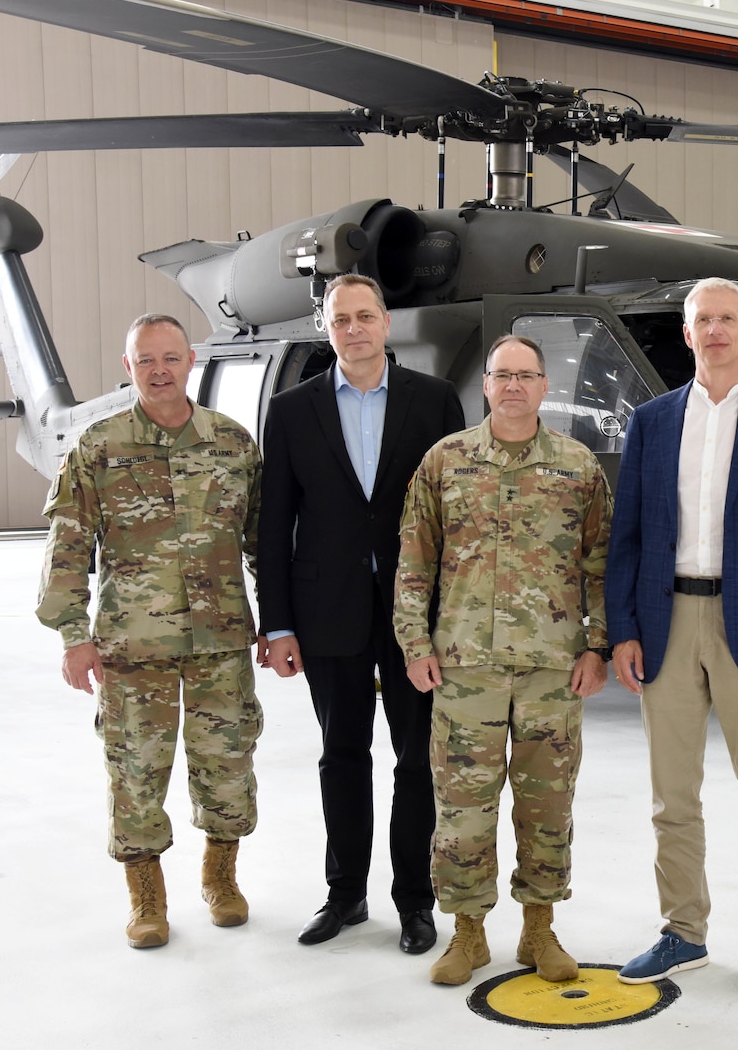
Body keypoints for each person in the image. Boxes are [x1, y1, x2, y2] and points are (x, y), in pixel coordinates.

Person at [607, 277, 738, 999]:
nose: (717, 330)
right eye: (705, 320)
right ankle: (683, 933)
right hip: (666, 621)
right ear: (688, 332)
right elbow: (627, 536)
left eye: (729, 318)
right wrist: (624, 630)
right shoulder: (653, 421)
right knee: (673, 795)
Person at [36, 313, 263, 949]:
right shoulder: (99, 446)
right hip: (134, 644)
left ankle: (221, 877)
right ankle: (146, 896)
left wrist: (278, 624)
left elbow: (263, 543)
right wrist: (71, 634)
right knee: (135, 769)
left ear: (191, 360)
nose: (159, 370)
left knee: (228, 762)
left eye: (170, 357)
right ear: (127, 368)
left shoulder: (233, 443)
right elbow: (68, 546)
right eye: (145, 361)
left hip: (220, 640)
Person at [394, 334, 612, 987]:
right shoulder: (445, 462)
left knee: (546, 804)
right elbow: (414, 563)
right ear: (485, 386)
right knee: (463, 807)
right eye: (502, 375)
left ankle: (539, 930)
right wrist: (413, 644)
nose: (514, 386)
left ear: (545, 386)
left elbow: (600, 567)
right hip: (465, 668)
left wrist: (597, 646)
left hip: (552, 667)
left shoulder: (578, 468)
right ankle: (467, 934)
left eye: (526, 375)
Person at [258, 273, 464, 954]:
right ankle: (345, 894)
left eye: (365, 315)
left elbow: (455, 519)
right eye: (340, 318)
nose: (353, 328)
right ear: (326, 327)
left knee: (417, 761)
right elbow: (274, 524)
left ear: (386, 321)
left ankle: (416, 902)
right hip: (327, 612)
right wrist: (278, 623)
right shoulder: (292, 411)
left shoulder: (435, 402)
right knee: (341, 755)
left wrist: (451, 619)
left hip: (415, 619)